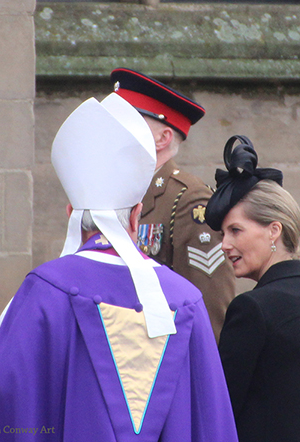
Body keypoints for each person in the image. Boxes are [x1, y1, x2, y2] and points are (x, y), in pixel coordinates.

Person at [0, 92, 238, 441]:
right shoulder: (185, 300)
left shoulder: (45, 291)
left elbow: (15, 401)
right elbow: (211, 419)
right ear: (137, 215)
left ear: (71, 214)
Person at [205, 135, 300, 442]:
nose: (225, 245)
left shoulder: (253, 308)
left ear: (274, 230)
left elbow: (219, 410)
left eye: (236, 230)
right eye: (223, 233)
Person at [112, 68, 236, 341]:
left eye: (126, 122)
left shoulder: (186, 200)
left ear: (162, 139)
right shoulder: (117, 194)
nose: (113, 131)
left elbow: (208, 306)